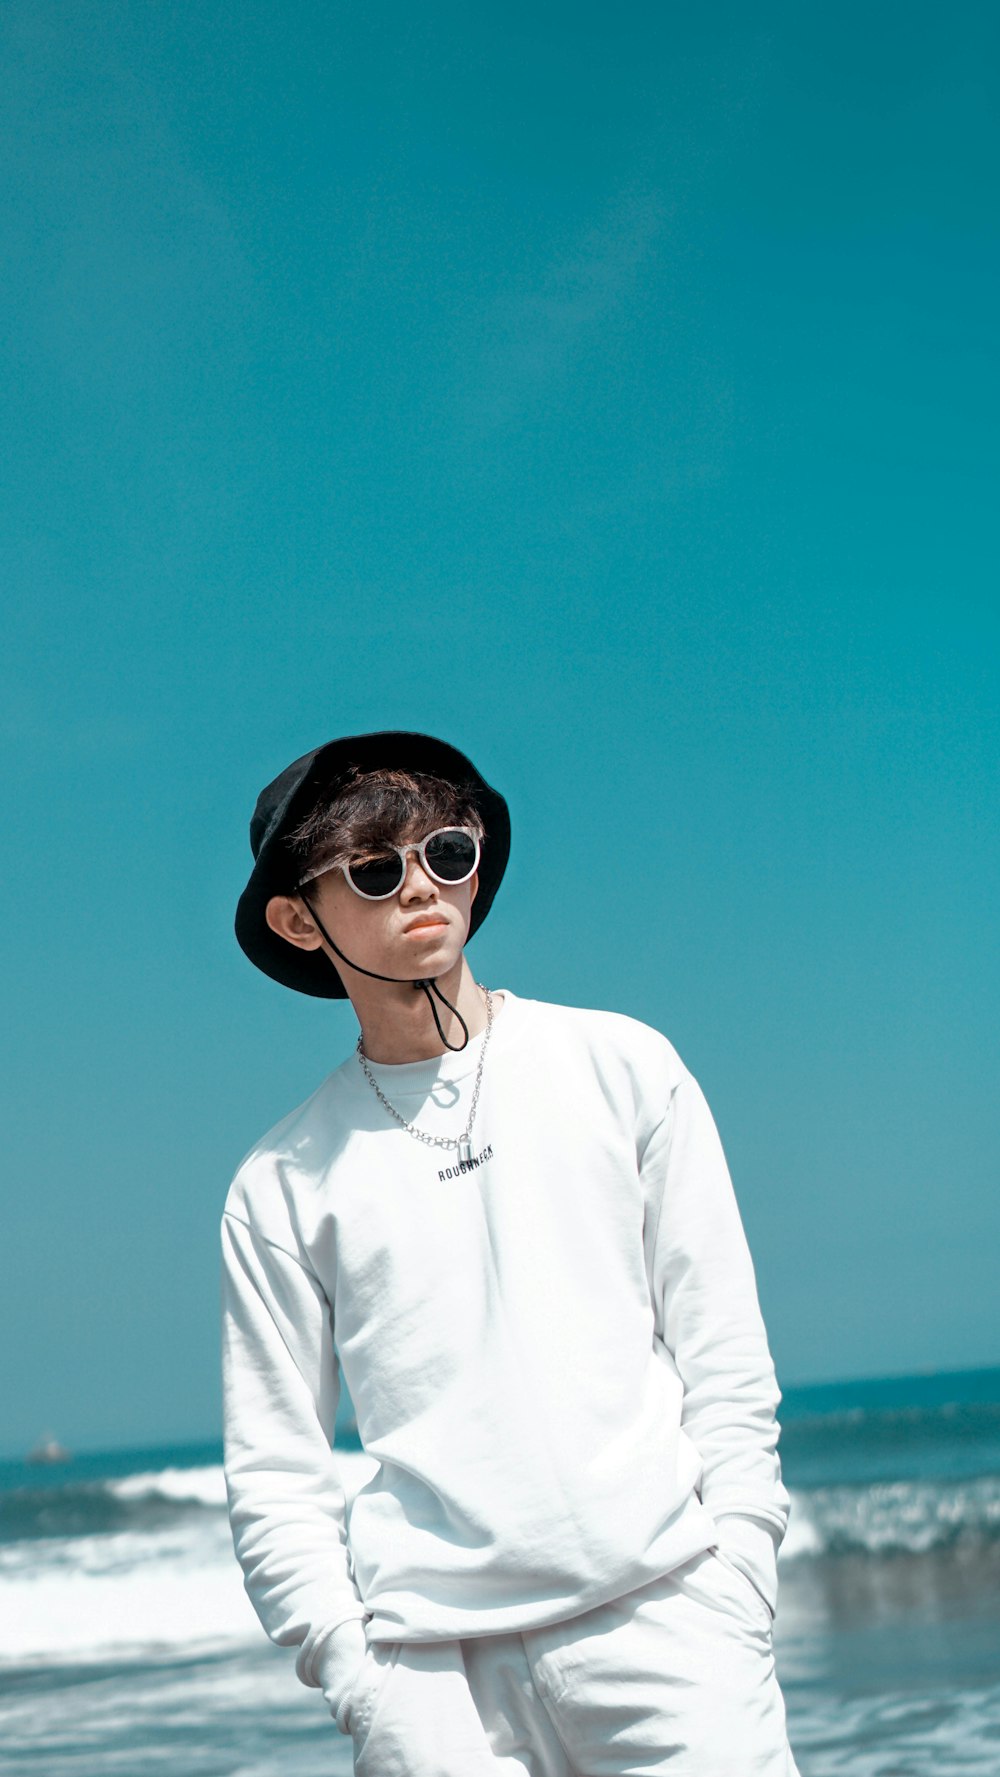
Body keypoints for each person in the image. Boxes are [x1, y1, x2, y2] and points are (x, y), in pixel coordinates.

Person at [221, 728, 801, 1776]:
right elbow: (274, 1470)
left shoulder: (620, 1065)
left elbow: (723, 1354)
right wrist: (363, 1682)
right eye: (374, 866)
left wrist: (741, 1578)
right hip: (433, 1685)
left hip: (671, 1626)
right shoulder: (283, 1180)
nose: (422, 886)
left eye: (449, 850)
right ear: (298, 917)